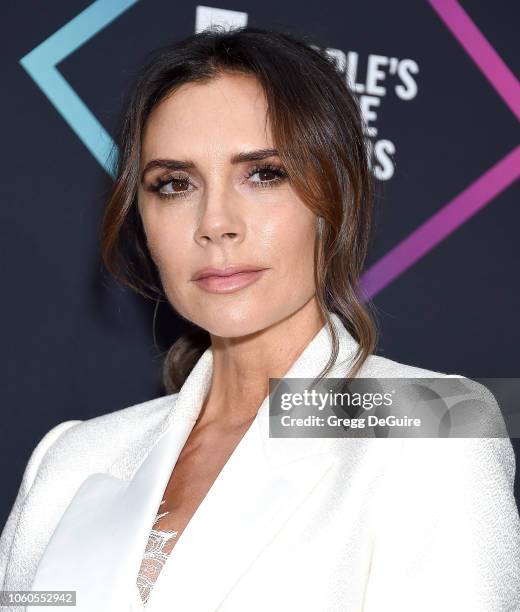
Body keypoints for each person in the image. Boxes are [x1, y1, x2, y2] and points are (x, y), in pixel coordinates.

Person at [1, 26, 519, 612]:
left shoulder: (436, 424)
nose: (215, 222)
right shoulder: (73, 458)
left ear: (337, 196)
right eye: (174, 184)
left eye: (263, 174)